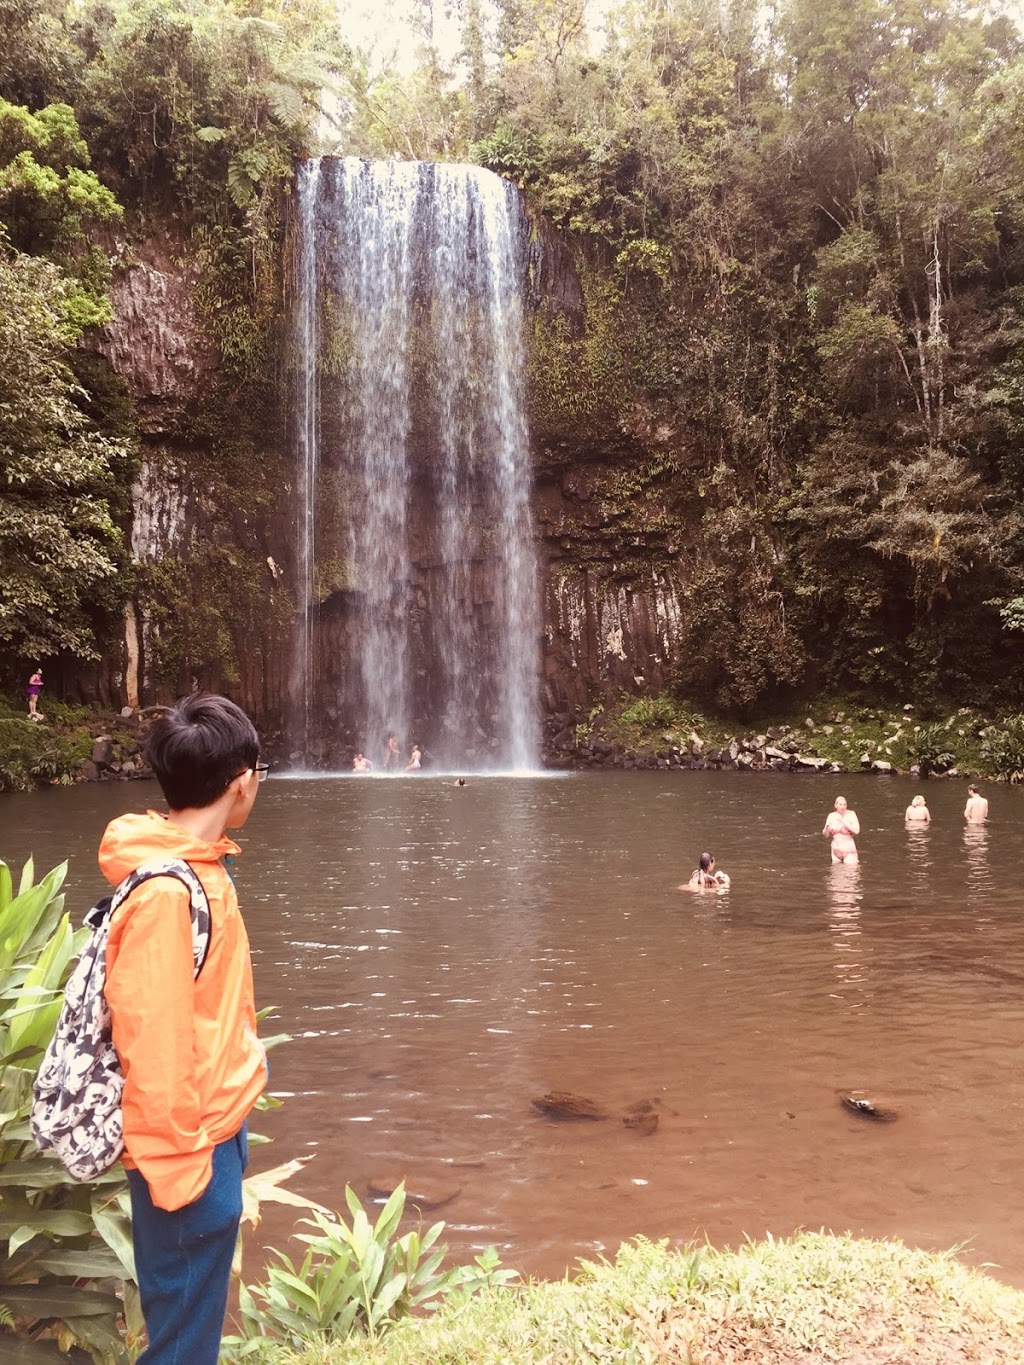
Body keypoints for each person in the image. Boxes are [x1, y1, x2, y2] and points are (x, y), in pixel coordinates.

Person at [99, 694, 268, 1364]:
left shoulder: (201, 867)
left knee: (191, 1327)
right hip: (187, 1154)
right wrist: (182, 1176)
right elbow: (154, 1048)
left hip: (216, 1127)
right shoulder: (167, 893)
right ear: (242, 781)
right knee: (180, 1343)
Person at [823, 795, 860, 864]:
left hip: (848, 851)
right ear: (835, 805)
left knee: (850, 873)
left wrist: (843, 821)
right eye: (840, 804)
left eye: (844, 804)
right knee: (836, 873)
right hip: (835, 852)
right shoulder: (831, 816)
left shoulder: (851, 814)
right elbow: (826, 835)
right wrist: (826, 828)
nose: (843, 806)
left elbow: (857, 831)